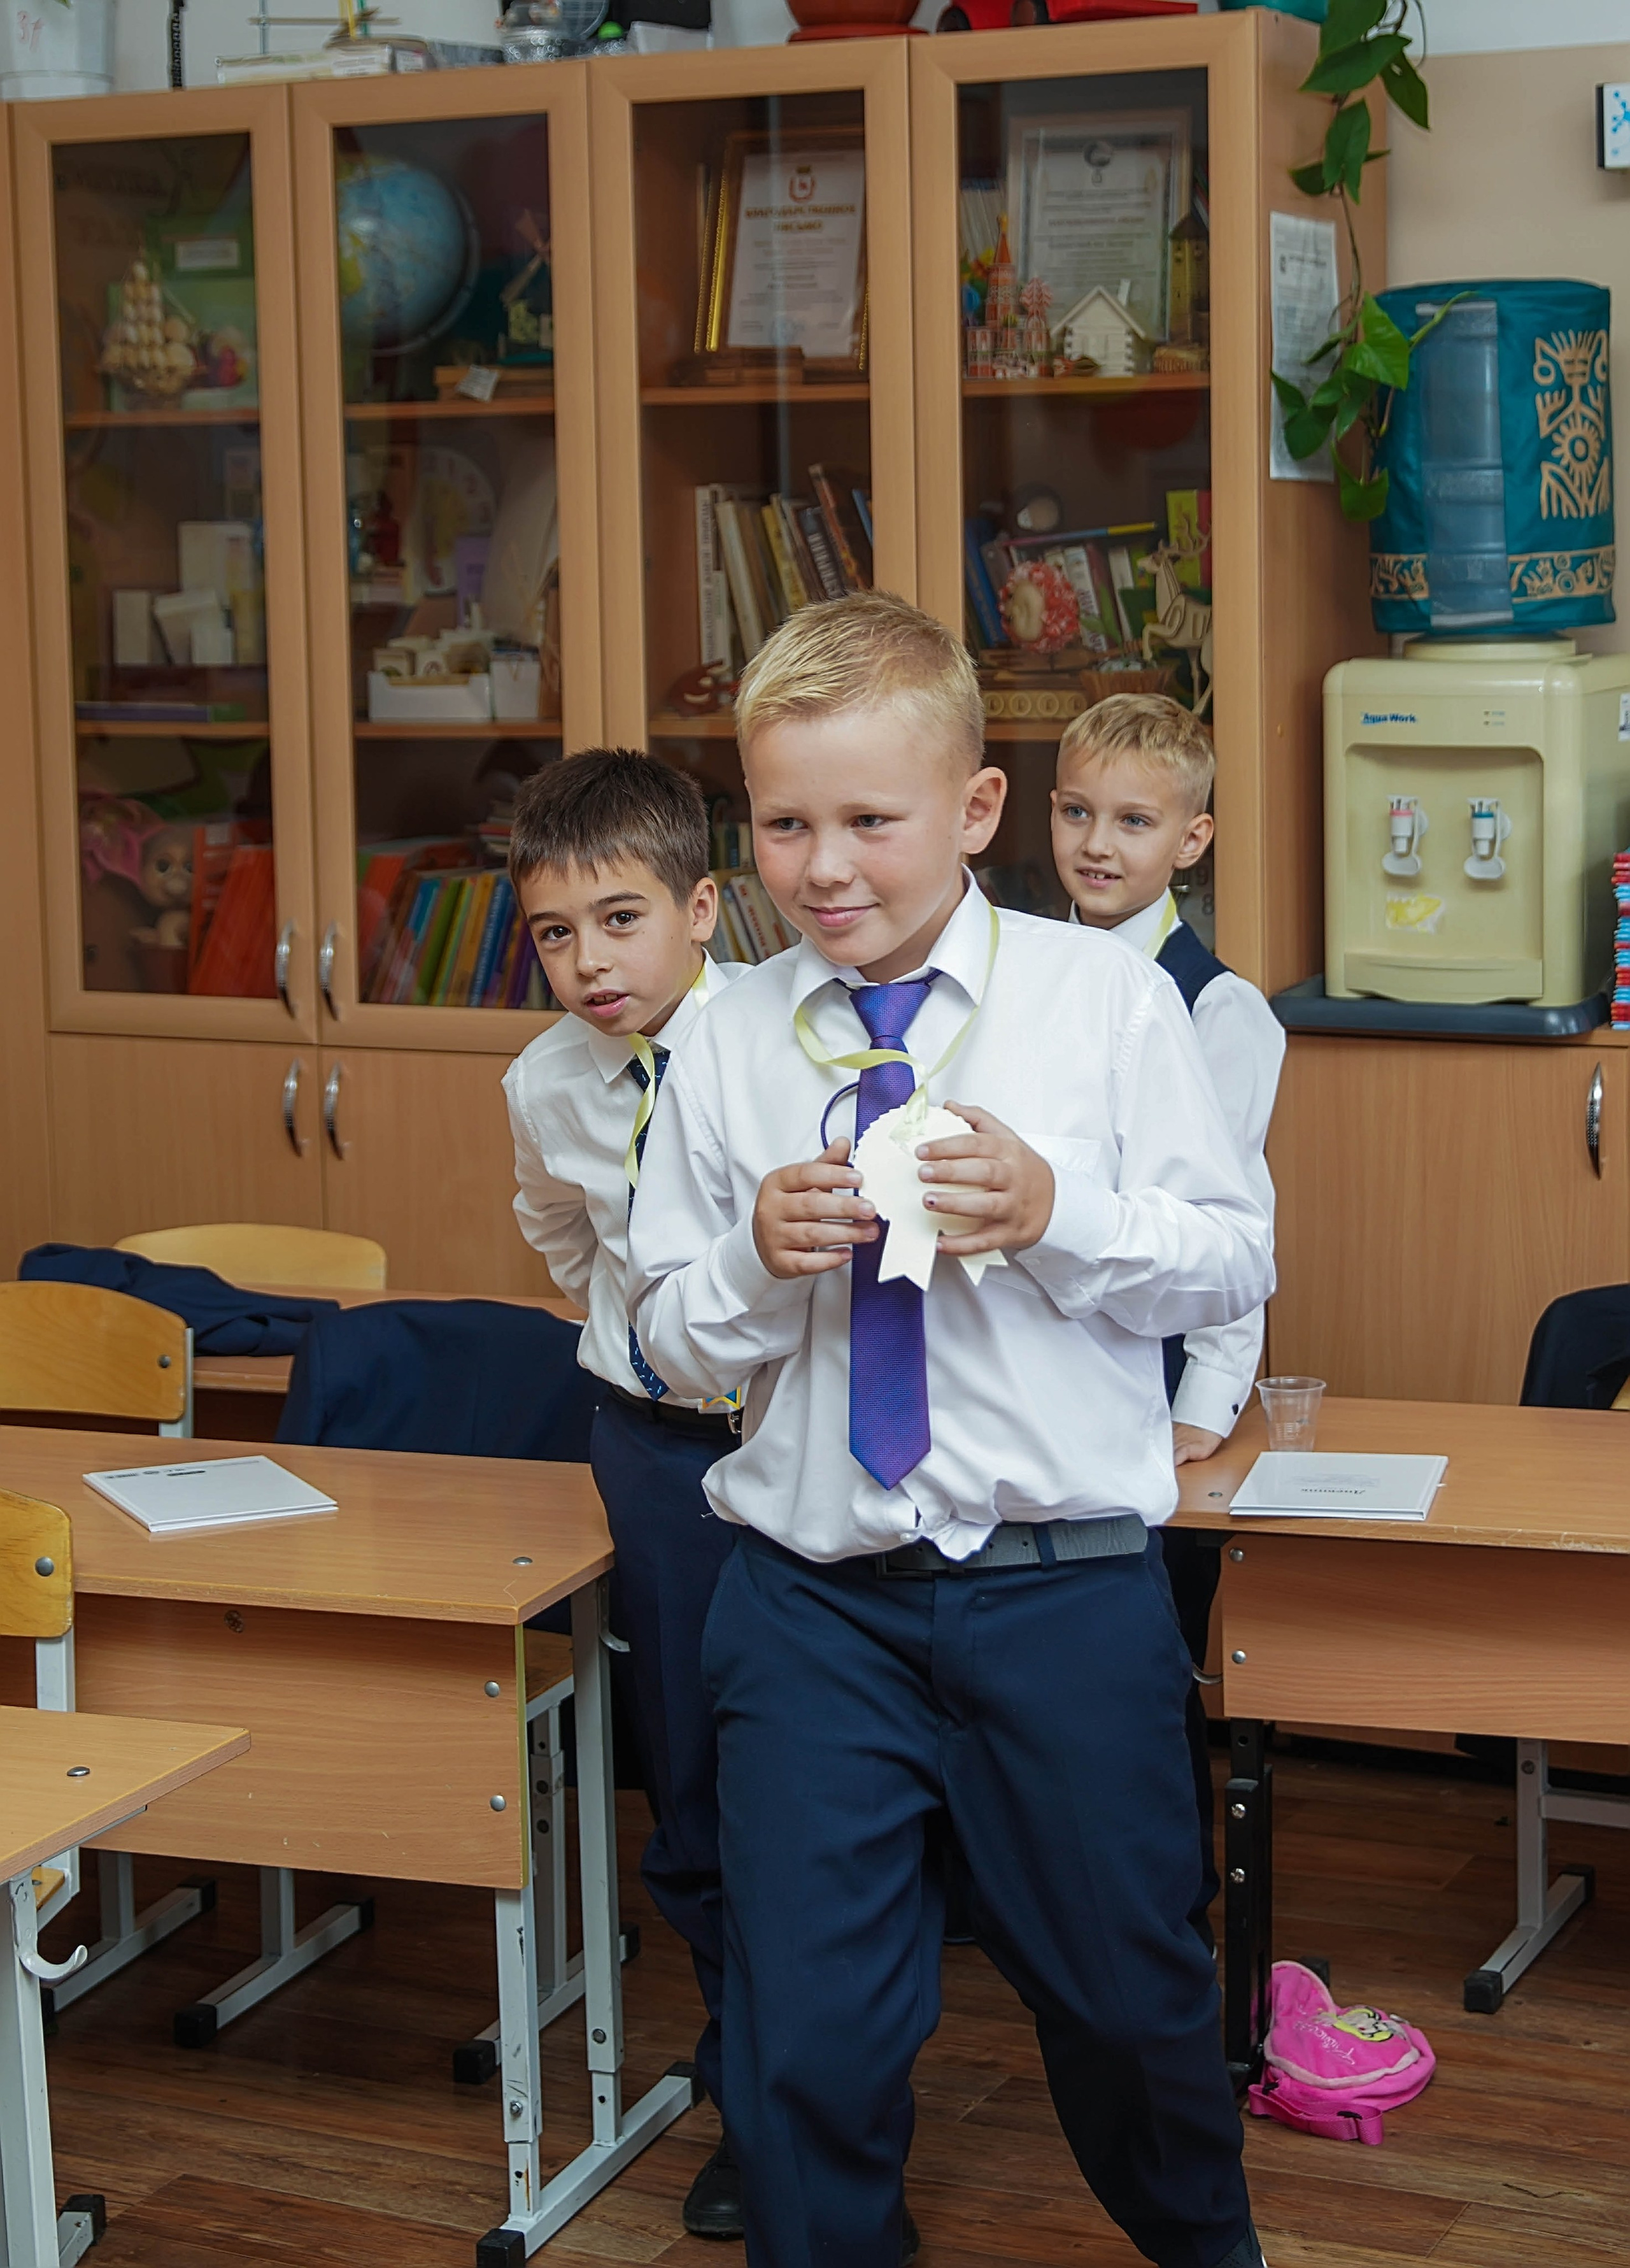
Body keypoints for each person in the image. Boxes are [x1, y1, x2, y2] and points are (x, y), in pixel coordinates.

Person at [627, 592, 1276, 2268]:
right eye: (783, 822)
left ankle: (1214, 2250)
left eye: (869, 821)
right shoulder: (725, 1041)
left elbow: (1230, 1257)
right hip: (811, 1603)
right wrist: (754, 1269)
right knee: (807, 2042)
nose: (822, 866)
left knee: (1134, 2003)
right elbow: (655, 1329)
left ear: (978, 811)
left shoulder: (1104, 1008)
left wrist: (1060, 1212)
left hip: (1059, 1594)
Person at [502, 749, 748, 2240]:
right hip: (652, 1443)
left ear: (702, 907)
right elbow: (556, 1225)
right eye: (551, 931)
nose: (587, 960)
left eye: (618, 918)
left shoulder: (782, 1042)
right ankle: (744, 2088)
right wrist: (628, 1332)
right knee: (696, 1771)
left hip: (794, 1443)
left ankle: (829, 2078)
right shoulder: (543, 1079)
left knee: (809, 1774)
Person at [1051, 694, 1286, 1937]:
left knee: (1138, 1652)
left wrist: (1201, 1405)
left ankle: (1163, 1899)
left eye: (1132, 820)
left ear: (1189, 840)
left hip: (1144, 1373)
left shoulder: (1216, 1008)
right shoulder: (1026, 975)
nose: (1097, 843)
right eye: (1076, 811)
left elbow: (1232, 1229)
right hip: (1036, 1357)